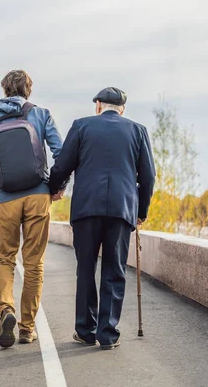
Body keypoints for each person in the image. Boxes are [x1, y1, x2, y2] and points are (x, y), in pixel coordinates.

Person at [48, 87, 156, 350]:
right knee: (114, 270)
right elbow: (148, 176)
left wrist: (54, 189)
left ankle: (85, 330)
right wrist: (140, 211)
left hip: (86, 208)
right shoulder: (138, 131)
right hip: (121, 211)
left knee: (85, 268)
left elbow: (63, 165)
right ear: (122, 109)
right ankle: (107, 334)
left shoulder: (81, 126)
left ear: (98, 105)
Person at [0, 70, 63, 347]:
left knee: (4, 260)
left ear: (4, 90)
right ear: (28, 90)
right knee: (34, 263)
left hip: (7, 198)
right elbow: (60, 152)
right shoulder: (41, 114)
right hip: (38, 196)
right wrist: (57, 187)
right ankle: (27, 328)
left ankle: (6, 310)